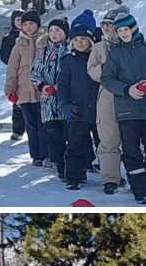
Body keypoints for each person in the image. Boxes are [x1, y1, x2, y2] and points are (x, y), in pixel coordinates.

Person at [100, 10, 146, 204]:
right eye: (120, 30)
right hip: (127, 111)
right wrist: (127, 89)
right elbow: (106, 79)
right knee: (132, 152)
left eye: (126, 29)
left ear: (134, 28)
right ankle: (140, 191)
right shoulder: (115, 54)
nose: (123, 33)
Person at [87, 8, 126, 194]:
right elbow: (92, 71)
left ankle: (140, 178)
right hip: (107, 96)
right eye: (105, 25)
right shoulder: (98, 47)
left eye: (112, 25)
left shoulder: (131, 44)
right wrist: (107, 68)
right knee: (108, 137)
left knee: (138, 139)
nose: (109, 29)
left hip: (130, 96)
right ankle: (110, 179)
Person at [57, 22, 100, 190]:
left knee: (104, 145)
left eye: (83, 39)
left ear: (90, 40)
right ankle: (74, 177)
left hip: (99, 111)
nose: (80, 42)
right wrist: (64, 105)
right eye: (76, 39)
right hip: (78, 110)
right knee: (75, 145)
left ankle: (111, 177)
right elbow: (63, 85)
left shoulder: (98, 58)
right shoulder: (68, 61)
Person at [5, 11, 48, 167]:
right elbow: (12, 67)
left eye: (32, 24)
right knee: (30, 125)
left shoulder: (45, 41)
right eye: (26, 24)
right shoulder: (19, 44)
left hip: (42, 91)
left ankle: (45, 154)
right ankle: (35, 155)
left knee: (43, 124)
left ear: (38, 25)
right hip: (24, 91)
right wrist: (10, 89)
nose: (29, 27)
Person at [31, 17, 71, 180]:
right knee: (54, 135)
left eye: (58, 31)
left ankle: (73, 166)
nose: (54, 34)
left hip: (66, 100)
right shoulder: (43, 52)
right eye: (52, 30)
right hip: (49, 102)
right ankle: (59, 165)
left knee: (70, 135)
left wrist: (61, 87)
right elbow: (34, 74)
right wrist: (43, 87)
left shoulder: (70, 51)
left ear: (65, 34)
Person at [0, 11, 26, 141]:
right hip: (16, 74)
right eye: (18, 19)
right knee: (17, 103)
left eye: (23, 20)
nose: (20, 22)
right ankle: (18, 130)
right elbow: (4, 56)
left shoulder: (33, 37)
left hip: (31, 74)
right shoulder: (8, 38)